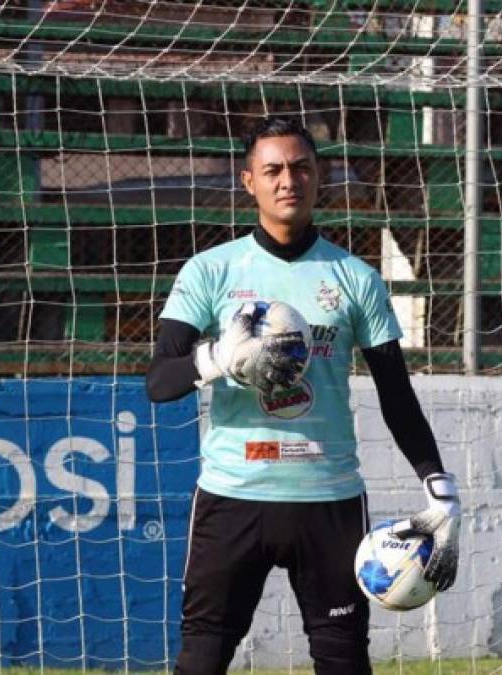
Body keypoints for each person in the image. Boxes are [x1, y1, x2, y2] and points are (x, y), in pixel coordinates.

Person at [146, 115, 461, 675]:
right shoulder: (211, 271)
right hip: (232, 497)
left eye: (300, 168)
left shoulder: (355, 277)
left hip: (329, 501)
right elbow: (159, 381)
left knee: (343, 661)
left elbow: (396, 393)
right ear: (249, 182)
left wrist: (438, 484)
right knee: (201, 659)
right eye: (272, 170)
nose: (287, 180)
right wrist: (221, 357)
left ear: (320, 177)